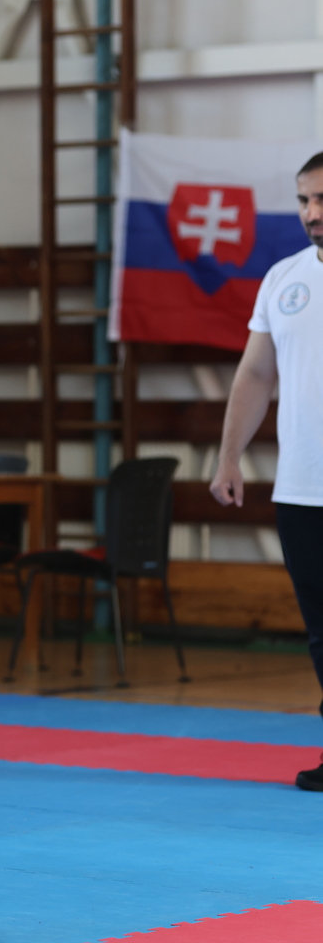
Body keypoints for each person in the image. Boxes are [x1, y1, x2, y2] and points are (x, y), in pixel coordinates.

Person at [211, 152, 323, 794]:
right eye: (305, 200)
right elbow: (256, 374)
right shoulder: (284, 278)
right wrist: (230, 454)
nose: (312, 212)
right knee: (322, 633)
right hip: (302, 488)